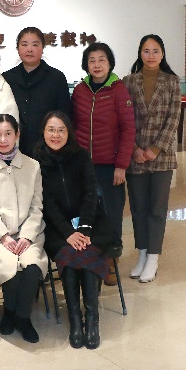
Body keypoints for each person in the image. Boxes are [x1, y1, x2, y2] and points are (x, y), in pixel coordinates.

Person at [34, 111, 113, 349]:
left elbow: (90, 193)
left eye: (61, 130)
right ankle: (75, 320)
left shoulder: (80, 155)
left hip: (90, 222)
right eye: (51, 130)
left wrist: (85, 228)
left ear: (68, 133)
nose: (56, 135)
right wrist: (68, 232)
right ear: (43, 132)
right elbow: (46, 203)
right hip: (57, 228)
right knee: (70, 255)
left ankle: (92, 319)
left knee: (86, 251)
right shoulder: (36, 161)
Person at [0, 114, 46, 343]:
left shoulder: (32, 166)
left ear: (17, 135)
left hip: (29, 233)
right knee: (10, 267)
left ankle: (23, 318)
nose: (3, 139)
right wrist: (4, 236)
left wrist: (27, 236)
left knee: (31, 266)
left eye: (8, 134)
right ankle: (9, 312)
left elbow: (36, 207)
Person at [71, 42, 135, 286]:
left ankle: (110, 260)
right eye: (92, 60)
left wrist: (121, 165)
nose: (97, 65)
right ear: (86, 64)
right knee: (87, 213)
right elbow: (73, 124)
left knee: (111, 214)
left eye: (102, 60)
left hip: (110, 166)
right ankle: (89, 258)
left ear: (110, 63)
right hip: (83, 165)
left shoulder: (119, 90)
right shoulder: (80, 91)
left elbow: (128, 129)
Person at [123, 35, 180, 283]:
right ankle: (143, 254)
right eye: (146, 51)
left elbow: (174, 118)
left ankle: (154, 258)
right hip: (135, 155)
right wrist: (134, 148)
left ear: (162, 54)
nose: (151, 55)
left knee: (157, 209)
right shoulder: (128, 81)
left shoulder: (172, 81)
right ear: (140, 53)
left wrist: (156, 149)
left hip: (161, 156)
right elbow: (124, 119)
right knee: (138, 208)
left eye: (156, 51)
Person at [3, 27, 72, 155]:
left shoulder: (56, 78)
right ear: (17, 48)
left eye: (35, 44)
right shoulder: (7, 78)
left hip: (48, 150)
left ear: (43, 48)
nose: (29, 49)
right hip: (13, 149)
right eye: (24, 44)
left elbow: (65, 116)